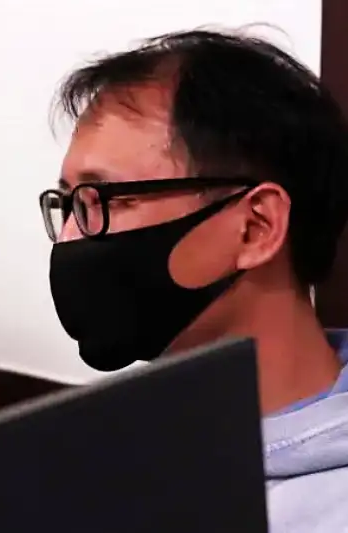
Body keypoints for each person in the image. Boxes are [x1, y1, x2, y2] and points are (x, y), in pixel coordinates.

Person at [38, 29, 348, 531]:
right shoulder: (94, 452)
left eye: (104, 201)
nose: (71, 237)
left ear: (255, 227)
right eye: (69, 204)